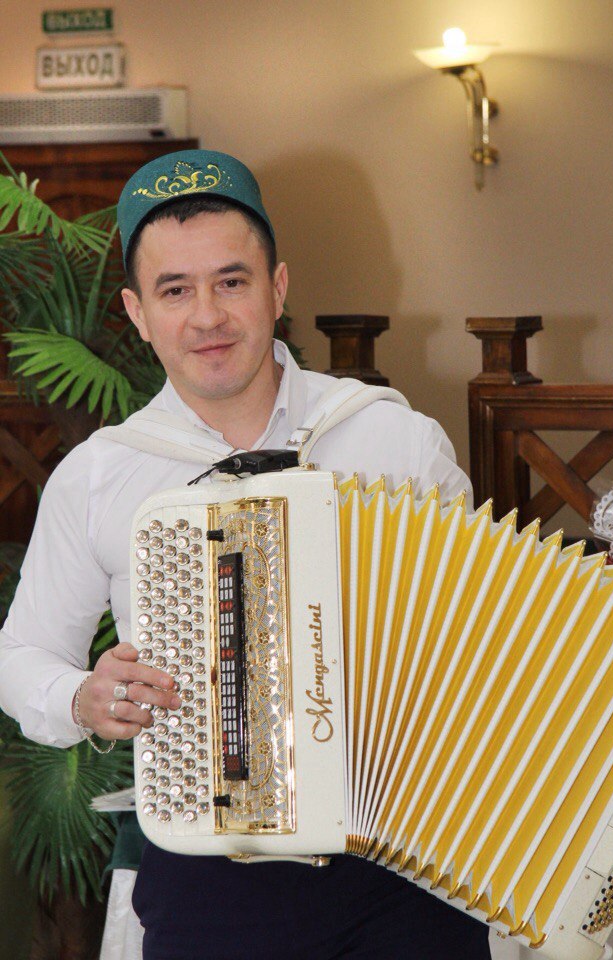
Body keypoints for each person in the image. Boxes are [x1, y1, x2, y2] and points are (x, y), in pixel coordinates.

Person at [0, 149, 489, 960]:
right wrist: (83, 696)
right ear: (137, 312)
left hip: (407, 859)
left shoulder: (395, 439)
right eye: (174, 290)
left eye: (231, 281)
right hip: (210, 877)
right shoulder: (98, 475)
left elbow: (481, 633)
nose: (208, 317)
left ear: (278, 288)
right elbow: (19, 654)